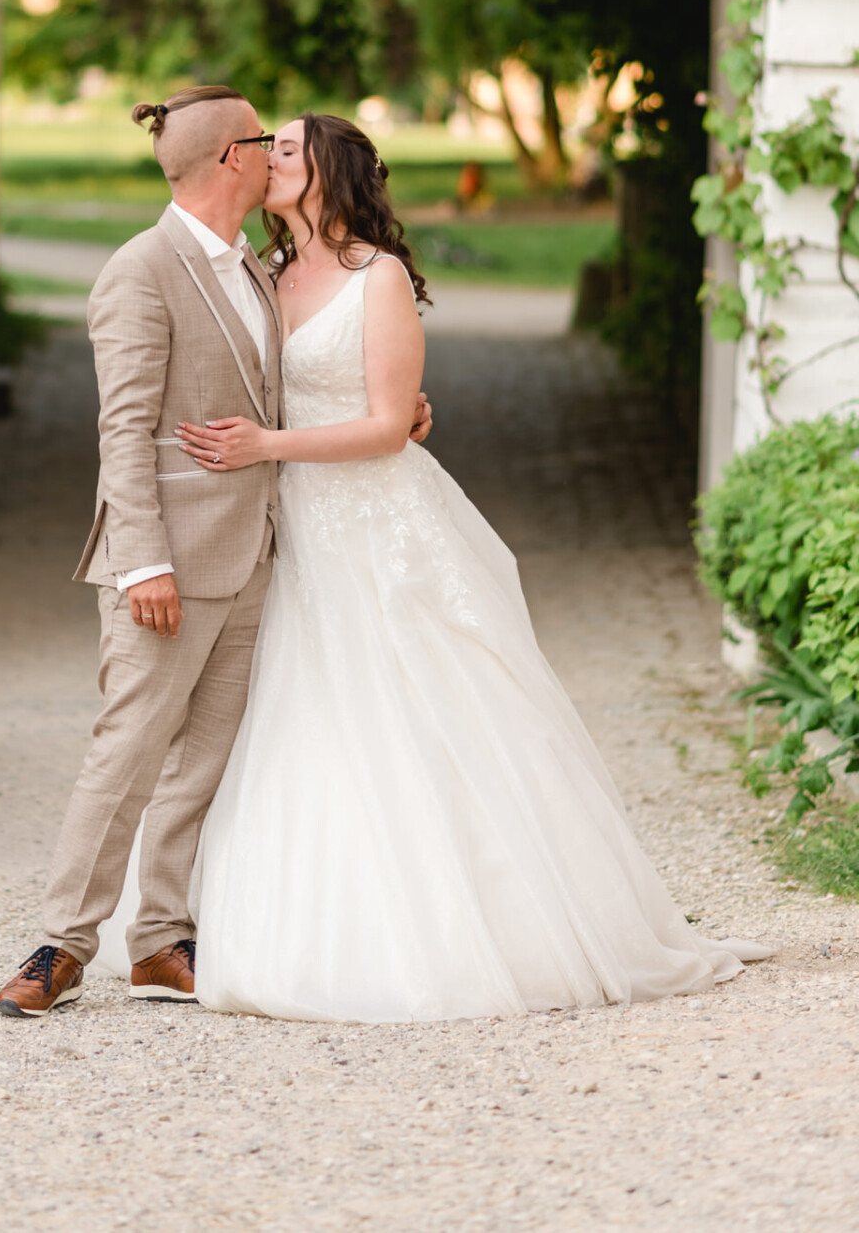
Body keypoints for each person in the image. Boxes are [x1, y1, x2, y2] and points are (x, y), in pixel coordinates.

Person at [168, 112, 771, 1021]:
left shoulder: (380, 280)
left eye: (286, 148)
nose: (266, 160)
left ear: (328, 171)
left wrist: (267, 443)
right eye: (265, 148)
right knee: (303, 709)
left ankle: (477, 930)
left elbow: (381, 426)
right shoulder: (266, 274)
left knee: (421, 703)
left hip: (377, 525)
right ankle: (292, 925)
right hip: (292, 529)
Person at [0, 89, 431, 1015]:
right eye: (264, 138)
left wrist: (399, 412)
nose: (275, 149)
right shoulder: (139, 272)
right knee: (129, 751)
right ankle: (61, 946)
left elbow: (292, 387)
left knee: (205, 761)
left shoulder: (259, 267)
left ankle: (161, 938)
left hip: (258, 554)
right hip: (169, 565)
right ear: (233, 158)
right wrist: (143, 559)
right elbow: (123, 429)